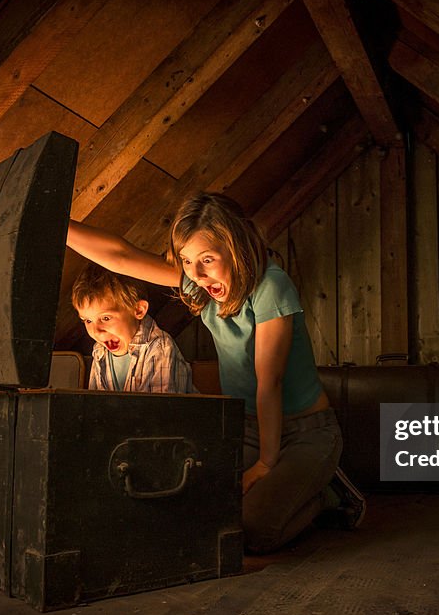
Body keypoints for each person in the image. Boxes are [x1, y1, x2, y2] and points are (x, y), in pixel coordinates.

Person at [67, 192, 365, 553]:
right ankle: (293, 489)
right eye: (187, 261)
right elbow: (122, 256)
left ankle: (327, 496)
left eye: (207, 259)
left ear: (237, 246)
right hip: (249, 427)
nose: (196, 273)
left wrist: (265, 466)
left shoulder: (271, 287)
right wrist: (58, 225)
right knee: (193, 510)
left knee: (253, 532)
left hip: (306, 433)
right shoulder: (201, 284)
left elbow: (269, 382)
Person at [72, 263, 195, 394]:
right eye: (88, 320)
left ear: (138, 310)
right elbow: (94, 403)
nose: (96, 331)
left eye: (106, 318)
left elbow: (159, 410)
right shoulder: (99, 350)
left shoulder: (160, 347)